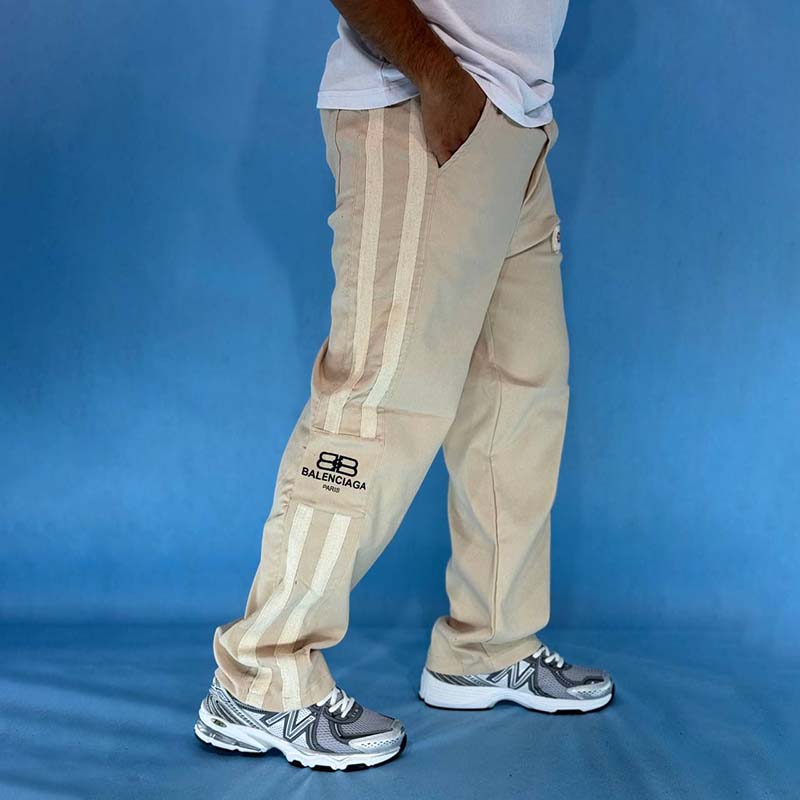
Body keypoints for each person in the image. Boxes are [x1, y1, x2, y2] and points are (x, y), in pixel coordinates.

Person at [194, 0, 614, 771]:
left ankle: (487, 646)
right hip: (423, 105)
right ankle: (260, 676)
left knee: (519, 396)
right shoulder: (435, 91)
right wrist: (440, 81)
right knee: (380, 398)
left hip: (518, 121)